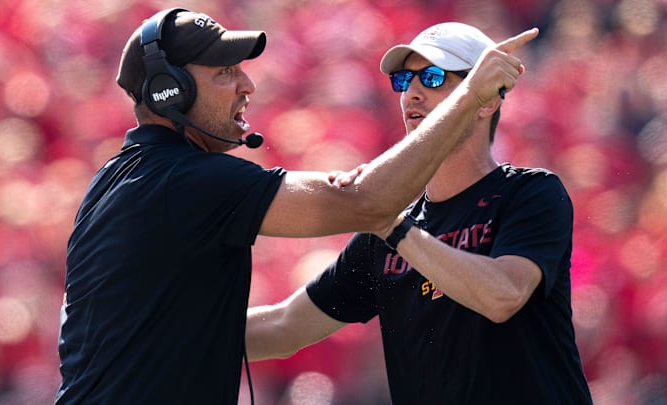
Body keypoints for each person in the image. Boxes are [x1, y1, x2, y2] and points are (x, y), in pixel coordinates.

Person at [56, 6, 537, 404]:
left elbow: (284, 327)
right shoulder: (190, 180)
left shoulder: (116, 178)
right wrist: (471, 94)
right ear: (170, 90)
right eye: (226, 72)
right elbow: (372, 202)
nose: (247, 85)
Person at [246, 22, 593, 404]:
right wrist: (174, 332)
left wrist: (394, 228)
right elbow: (284, 326)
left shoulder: (530, 192)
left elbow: (503, 295)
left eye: (432, 77)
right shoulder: (382, 230)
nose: (412, 93)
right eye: (403, 80)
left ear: (488, 100)